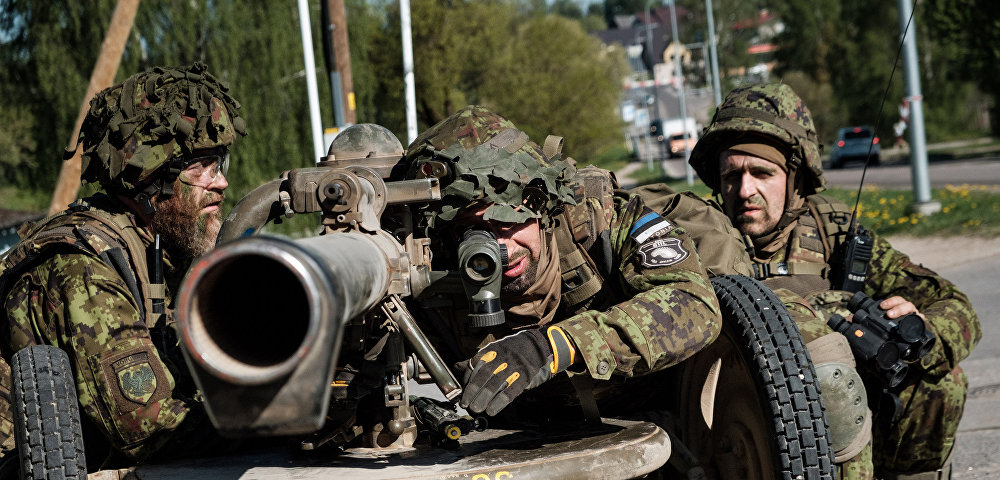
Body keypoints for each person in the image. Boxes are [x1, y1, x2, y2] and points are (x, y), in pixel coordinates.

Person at [688, 83, 981, 480]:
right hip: (743, 426)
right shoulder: (699, 240)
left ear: (796, 177)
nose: (744, 190)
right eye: (731, 174)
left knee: (940, 383)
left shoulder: (832, 231)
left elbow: (956, 305)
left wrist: (922, 330)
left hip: (849, 414)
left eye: (761, 172)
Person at [400, 105, 723, 420]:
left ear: (541, 203)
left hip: (647, 418)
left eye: (509, 219)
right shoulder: (424, 269)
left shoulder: (599, 221)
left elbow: (694, 302)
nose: (501, 247)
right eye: (474, 232)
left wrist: (556, 345)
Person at [0, 63, 246, 465]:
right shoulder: (82, 271)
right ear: (148, 179)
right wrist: (286, 420)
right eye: (199, 167)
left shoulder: (165, 249)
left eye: (219, 163)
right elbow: (149, 428)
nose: (219, 182)